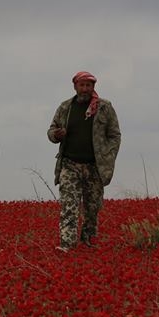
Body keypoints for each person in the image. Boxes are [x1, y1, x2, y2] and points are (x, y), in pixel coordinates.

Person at [47, 71, 121, 251]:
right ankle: (67, 243)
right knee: (69, 205)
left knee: (92, 207)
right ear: (75, 86)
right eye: (82, 85)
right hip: (70, 164)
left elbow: (114, 135)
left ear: (93, 87)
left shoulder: (104, 107)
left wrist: (108, 156)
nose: (85, 89)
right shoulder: (65, 107)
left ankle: (88, 240)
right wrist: (56, 135)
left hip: (94, 166)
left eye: (89, 85)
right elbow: (51, 130)